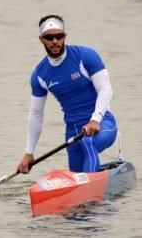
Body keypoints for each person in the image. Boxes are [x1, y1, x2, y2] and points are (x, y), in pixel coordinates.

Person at [17, 15, 118, 174]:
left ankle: (91, 193)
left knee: (88, 141)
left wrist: (95, 119)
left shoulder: (85, 56)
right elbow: (36, 114)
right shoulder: (39, 75)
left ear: (65, 37)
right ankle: (90, 184)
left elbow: (105, 89)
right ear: (41, 40)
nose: (55, 41)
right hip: (73, 131)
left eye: (59, 36)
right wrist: (29, 153)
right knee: (77, 172)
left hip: (102, 123)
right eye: (49, 37)